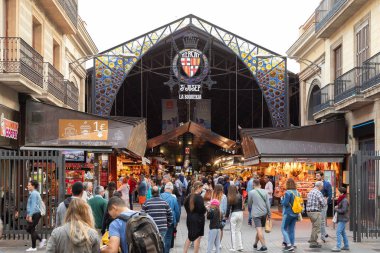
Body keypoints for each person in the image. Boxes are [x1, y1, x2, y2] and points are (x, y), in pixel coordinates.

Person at [248, 179, 271, 252]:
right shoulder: (265, 192)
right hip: (264, 213)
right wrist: (269, 214)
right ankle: (255, 243)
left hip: (256, 214)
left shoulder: (251, 192)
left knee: (259, 230)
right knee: (260, 229)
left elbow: (249, 204)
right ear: (260, 184)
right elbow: (268, 204)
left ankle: (264, 246)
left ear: (253, 185)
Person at [183, 181, 207, 253]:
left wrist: (189, 213)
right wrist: (206, 208)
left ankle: (185, 251)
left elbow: (185, 205)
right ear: (199, 188)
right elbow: (202, 210)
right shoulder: (199, 198)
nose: (201, 189)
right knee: (197, 236)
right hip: (198, 219)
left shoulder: (189, 196)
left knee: (190, 236)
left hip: (190, 218)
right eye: (201, 188)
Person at [281, 178, 301, 252]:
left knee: (283, 228)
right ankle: (292, 244)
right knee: (292, 230)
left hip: (288, 213)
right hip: (295, 213)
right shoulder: (297, 192)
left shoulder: (287, 192)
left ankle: (289, 244)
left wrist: (281, 199)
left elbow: (285, 204)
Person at [25, 180, 46, 252]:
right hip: (34, 213)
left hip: (35, 213)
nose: (28, 186)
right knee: (30, 229)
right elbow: (31, 205)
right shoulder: (34, 193)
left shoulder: (34, 193)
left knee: (30, 229)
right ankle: (41, 240)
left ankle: (34, 247)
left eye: (29, 185)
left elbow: (33, 205)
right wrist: (28, 214)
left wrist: (30, 215)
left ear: (33, 186)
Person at [160, 182, 180, 253]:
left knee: (159, 237)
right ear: (172, 190)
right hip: (169, 221)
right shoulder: (173, 198)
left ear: (165, 189)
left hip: (159, 221)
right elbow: (177, 211)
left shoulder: (159, 196)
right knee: (168, 238)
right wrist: (177, 221)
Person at [306, 181, 327, 248]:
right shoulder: (318, 193)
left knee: (314, 226)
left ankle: (312, 239)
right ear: (320, 186)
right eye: (322, 186)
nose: (322, 187)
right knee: (317, 228)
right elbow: (323, 204)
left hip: (309, 212)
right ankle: (313, 243)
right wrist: (325, 200)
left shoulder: (310, 191)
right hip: (315, 212)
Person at [226, 185, 244, 252]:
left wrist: (226, 216)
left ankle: (234, 247)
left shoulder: (230, 197)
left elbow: (228, 208)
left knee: (233, 231)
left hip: (234, 214)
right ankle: (240, 246)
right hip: (240, 213)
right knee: (238, 231)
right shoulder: (240, 195)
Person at [332, 187, 350, 252]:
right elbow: (342, 208)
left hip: (343, 218)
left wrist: (336, 209)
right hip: (342, 218)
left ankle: (338, 246)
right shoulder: (342, 199)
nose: (337, 193)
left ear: (342, 193)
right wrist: (338, 206)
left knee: (338, 232)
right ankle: (346, 245)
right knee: (343, 232)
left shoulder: (344, 200)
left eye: (338, 192)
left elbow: (343, 210)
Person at [316, 171, 332, 241]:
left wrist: (326, 202)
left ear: (322, 176)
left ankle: (323, 236)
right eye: (316, 176)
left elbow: (330, 194)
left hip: (323, 204)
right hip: (317, 204)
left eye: (318, 176)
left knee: (322, 220)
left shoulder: (327, 184)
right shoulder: (316, 184)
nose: (316, 177)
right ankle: (324, 233)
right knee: (319, 220)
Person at [212, 184, 227, 248]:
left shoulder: (213, 196)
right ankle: (219, 243)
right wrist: (224, 215)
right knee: (221, 229)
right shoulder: (224, 196)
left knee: (213, 229)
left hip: (213, 214)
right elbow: (224, 207)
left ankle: (213, 243)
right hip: (221, 214)